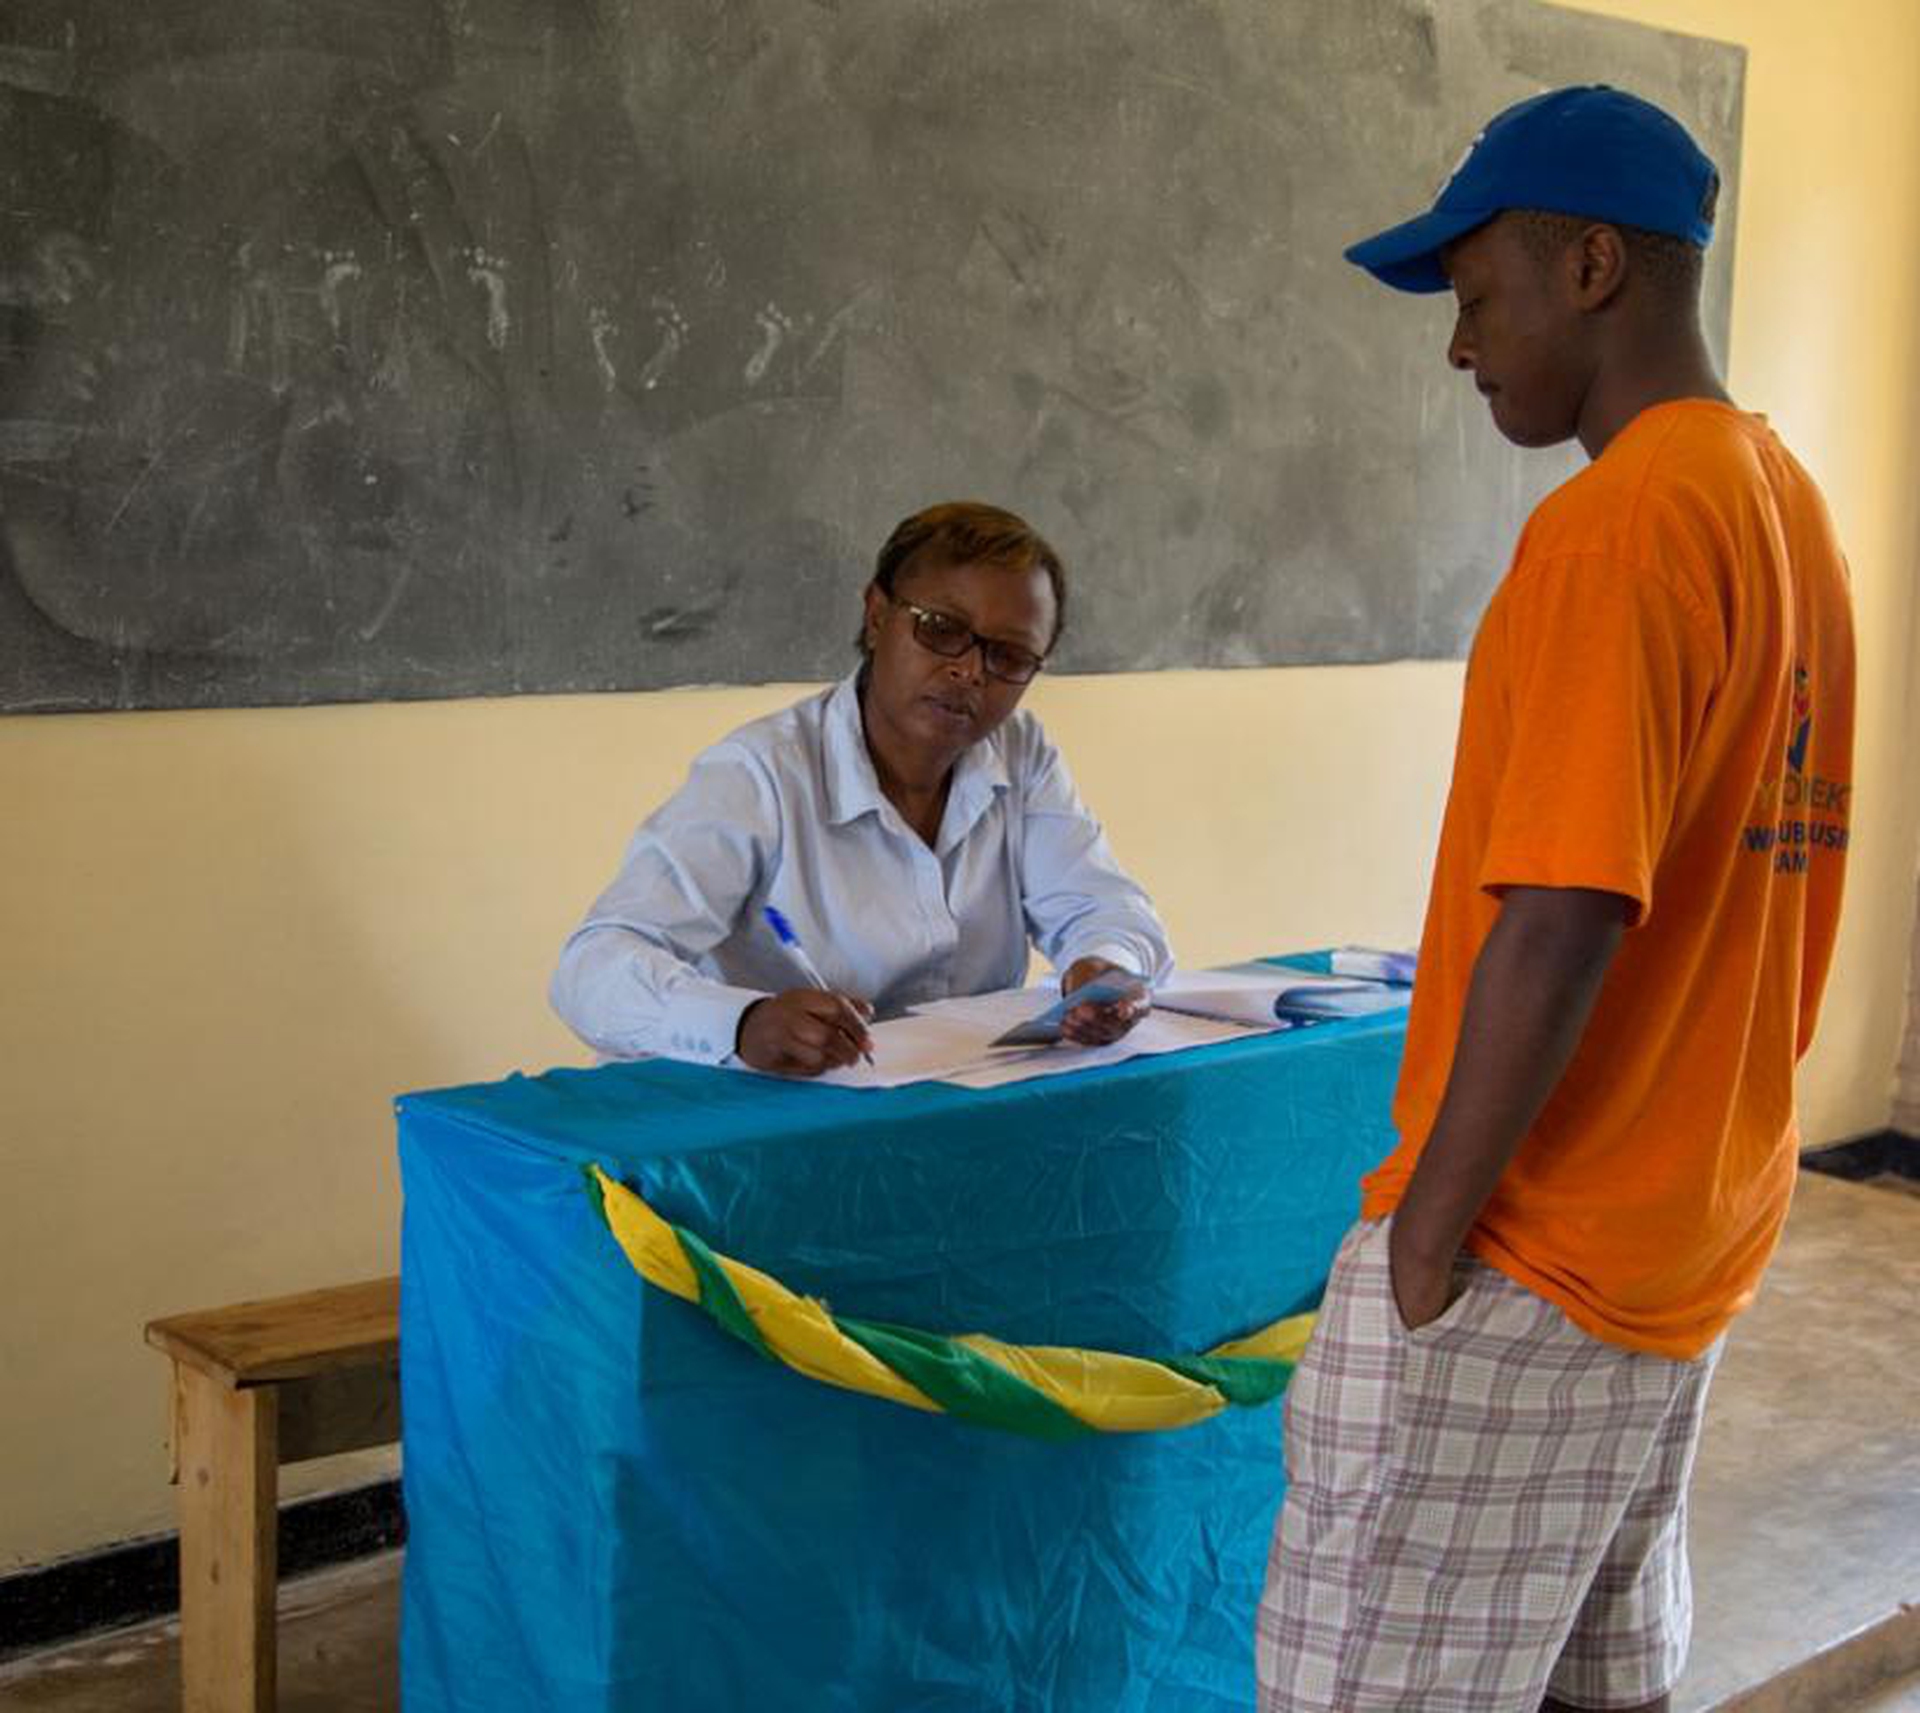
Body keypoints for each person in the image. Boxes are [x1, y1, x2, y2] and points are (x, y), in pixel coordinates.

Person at [1256, 87, 1855, 1713]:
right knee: (1605, 1680)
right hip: (1689, 1241)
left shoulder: (1616, 528)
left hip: (1536, 1254)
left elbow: (1564, 908)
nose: (1461, 349)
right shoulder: (1784, 507)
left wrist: (1427, 1242)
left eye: (1474, 299)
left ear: (1593, 265)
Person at [551, 500, 1173, 1076]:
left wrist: (1106, 967)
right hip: (756, 1127)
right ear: (877, 617)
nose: (968, 671)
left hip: (939, 1112)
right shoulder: (761, 773)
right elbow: (592, 967)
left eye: (1009, 657)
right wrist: (740, 1023)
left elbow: (1103, 906)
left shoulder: (1021, 753)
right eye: (941, 628)